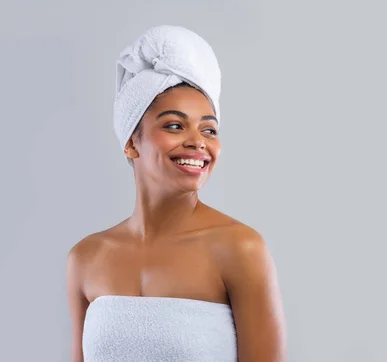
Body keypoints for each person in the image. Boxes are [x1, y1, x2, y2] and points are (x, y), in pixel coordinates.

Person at [66, 25, 286, 362]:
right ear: (130, 142)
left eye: (209, 129)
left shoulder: (239, 249)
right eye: (174, 125)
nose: (198, 141)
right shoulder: (86, 258)